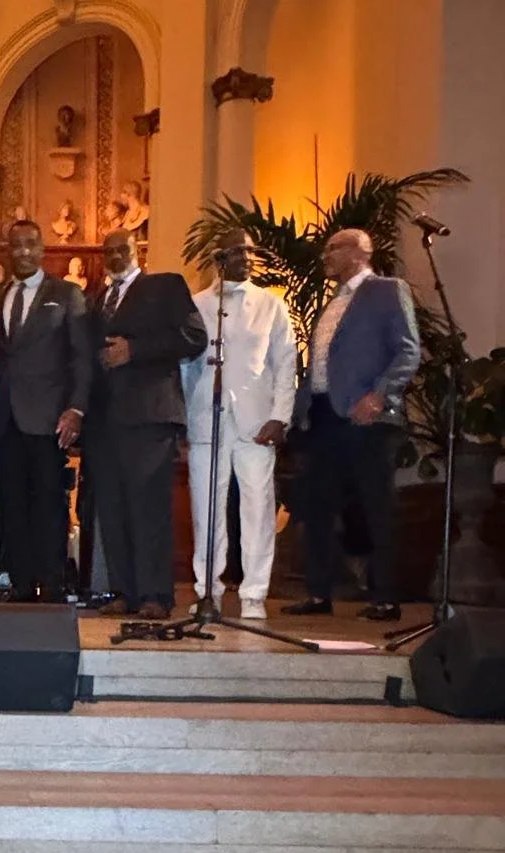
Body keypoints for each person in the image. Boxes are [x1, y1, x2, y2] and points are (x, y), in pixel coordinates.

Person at [284, 227, 420, 623]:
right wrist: (300, 409)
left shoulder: (386, 290)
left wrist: (378, 395)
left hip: (367, 417)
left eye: (332, 249)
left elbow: (408, 350)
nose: (324, 256)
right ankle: (318, 593)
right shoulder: (332, 303)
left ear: (360, 252)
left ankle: (385, 597)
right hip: (324, 415)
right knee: (317, 505)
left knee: (375, 506)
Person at [81, 228, 207, 620]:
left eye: (124, 249)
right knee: (113, 509)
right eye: (109, 251)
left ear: (139, 251)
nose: (116, 255)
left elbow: (194, 336)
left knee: (148, 507)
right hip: (105, 421)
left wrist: (134, 350)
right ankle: (125, 591)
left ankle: (155, 594)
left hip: (149, 415)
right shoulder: (97, 300)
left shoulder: (165, 287)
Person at [181, 230, 296, 620]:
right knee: (205, 508)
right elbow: (184, 367)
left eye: (250, 251)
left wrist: (280, 416)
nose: (246, 258)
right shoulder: (196, 306)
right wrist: (182, 417)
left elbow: (285, 364)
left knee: (258, 508)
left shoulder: (270, 305)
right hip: (205, 418)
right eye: (237, 251)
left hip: (256, 420)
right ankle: (207, 590)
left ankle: (253, 593)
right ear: (219, 257)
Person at [0, 218, 91, 601]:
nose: (23, 251)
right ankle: (23, 585)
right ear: (6, 251)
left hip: (49, 419)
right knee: (11, 502)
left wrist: (76, 409)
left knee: (48, 503)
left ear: (43, 249)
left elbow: (81, 357)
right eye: (16, 245)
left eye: (31, 244)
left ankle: (53, 585)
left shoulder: (66, 294)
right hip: (5, 419)